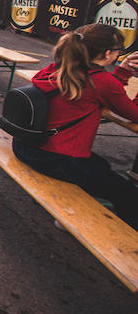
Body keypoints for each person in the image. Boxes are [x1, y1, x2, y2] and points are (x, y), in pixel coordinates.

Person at [12, 24, 138, 229]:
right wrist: (122, 74)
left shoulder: (59, 67)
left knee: (101, 167)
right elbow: (133, 114)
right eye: (118, 51)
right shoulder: (104, 82)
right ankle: (126, 244)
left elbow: (95, 91)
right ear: (107, 54)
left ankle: (72, 209)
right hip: (58, 158)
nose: (119, 55)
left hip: (25, 145)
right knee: (129, 194)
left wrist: (122, 72)